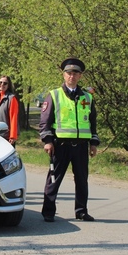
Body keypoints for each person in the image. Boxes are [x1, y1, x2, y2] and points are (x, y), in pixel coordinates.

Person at [40, 57, 100, 222]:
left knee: (82, 180)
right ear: (63, 75)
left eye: (75, 73)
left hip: (81, 145)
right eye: (68, 73)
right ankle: (48, 211)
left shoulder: (87, 97)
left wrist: (93, 143)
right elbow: (44, 121)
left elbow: (92, 122)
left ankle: (81, 211)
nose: (72, 76)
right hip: (60, 145)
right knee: (54, 179)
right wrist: (48, 141)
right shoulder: (54, 95)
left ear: (80, 76)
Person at [0, 75, 20, 147]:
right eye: (0, 82)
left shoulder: (12, 99)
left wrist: (13, 136)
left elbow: (14, 118)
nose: (2, 84)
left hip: (6, 137)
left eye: (5, 83)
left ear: (9, 85)